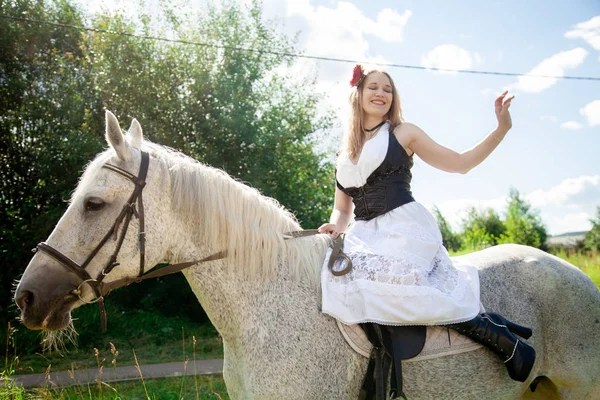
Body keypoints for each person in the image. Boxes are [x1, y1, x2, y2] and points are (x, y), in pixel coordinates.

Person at [317, 65, 535, 382]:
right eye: (373, 87)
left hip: (404, 228)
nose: (380, 93)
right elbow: (342, 209)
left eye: (387, 89)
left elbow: (460, 164)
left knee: (397, 280)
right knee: (333, 281)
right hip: (364, 235)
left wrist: (501, 129)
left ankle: (500, 338)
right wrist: (335, 224)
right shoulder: (343, 153)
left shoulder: (404, 133)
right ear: (358, 94)